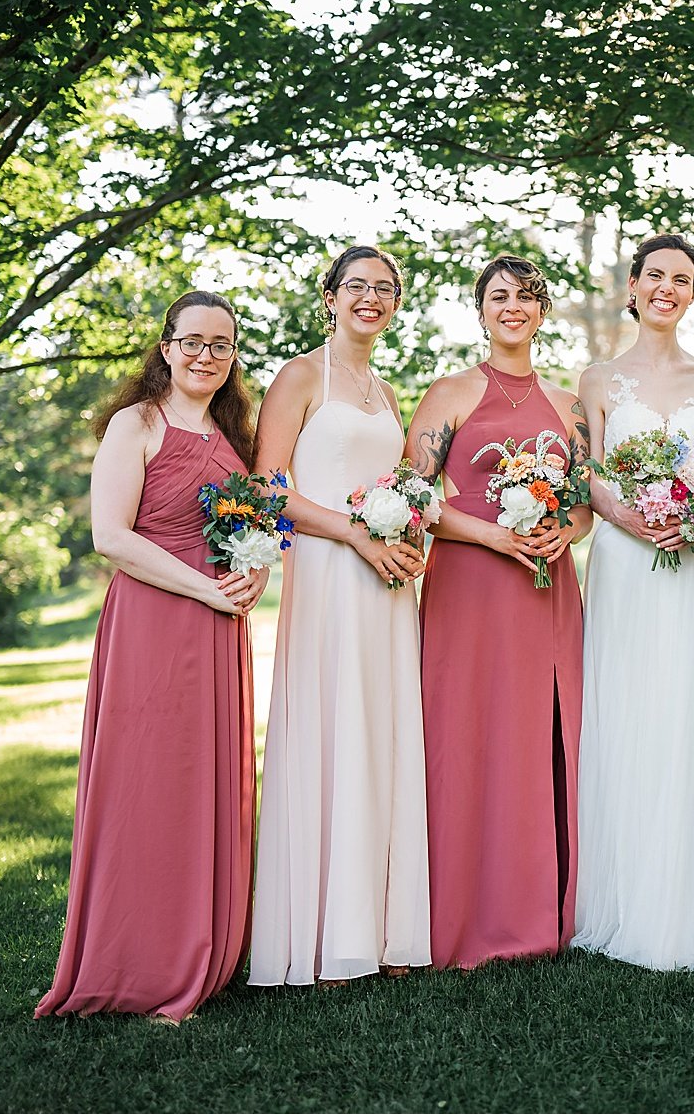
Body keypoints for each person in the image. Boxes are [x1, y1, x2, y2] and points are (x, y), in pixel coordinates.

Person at [36, 290, 267, 1023]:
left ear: (234, 357)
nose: (206, 355)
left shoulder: (237, 435)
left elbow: (257, 522)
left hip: (219, 628)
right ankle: (136, 963)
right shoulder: (134, 424)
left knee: (205, 786)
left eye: (221, 344)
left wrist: (256, 569)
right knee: (147, 785)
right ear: (165, 347)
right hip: (154, 624)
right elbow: (111, 536)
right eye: (192, 341)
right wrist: (204, 586)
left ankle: (201, 949)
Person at [572, 233, 694, 970]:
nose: (666, 287)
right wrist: (627, 515)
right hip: (623, 565)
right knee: (625, 712)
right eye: (653, 275)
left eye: (681, 279)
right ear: (631, 286)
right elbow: (588, 474)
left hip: (690, 564)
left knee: (690, 710)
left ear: (693, 294)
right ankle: (622, 895)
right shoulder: (595, 380)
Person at [248, 246, 431, 987]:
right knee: (334, 731)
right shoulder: (299, 375)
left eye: (385, 289)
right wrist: (353, 532)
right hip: (327, 572)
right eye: (357, 286)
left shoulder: (385, 391)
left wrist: (407, 531)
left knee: (383, 735)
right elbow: (267, 485)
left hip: (386, 584)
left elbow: (400, 484)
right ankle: (326, 937)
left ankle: (384, 930)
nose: (371, 298)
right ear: (329, 296)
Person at [406, 254, 590, 970]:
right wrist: (491, 533)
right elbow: (412, 496)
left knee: (541, 734)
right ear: (479, 310)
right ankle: (465, 911)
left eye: (524, 296)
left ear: (542, 311)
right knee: (467, 733)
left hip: (545, 588)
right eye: (497, 296)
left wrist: (563, 530)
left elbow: (583, 502)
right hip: (469, 587)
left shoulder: (569, 403)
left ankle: (544, 906)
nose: (511, 306)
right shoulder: (449, 392)